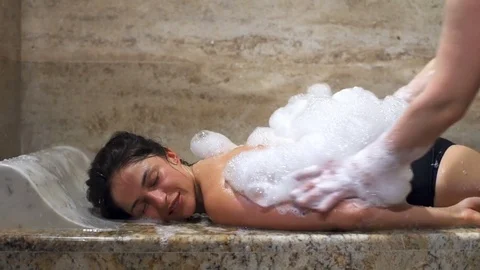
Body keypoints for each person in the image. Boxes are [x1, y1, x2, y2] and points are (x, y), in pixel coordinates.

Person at [290, 0, 480, 212]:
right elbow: (462, 55)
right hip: (415, 159)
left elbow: (447, 101)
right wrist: (396, 106)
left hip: (428, 168)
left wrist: (363, 170)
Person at [85, 130, 480, 231]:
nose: (160, 200)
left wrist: (449, 217)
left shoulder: (221, 199)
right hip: (421, 161)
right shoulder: (216, 161)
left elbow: (344, 215)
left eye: (153, 179)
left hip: (430, 181)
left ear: (171, 156)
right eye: (142, 207)